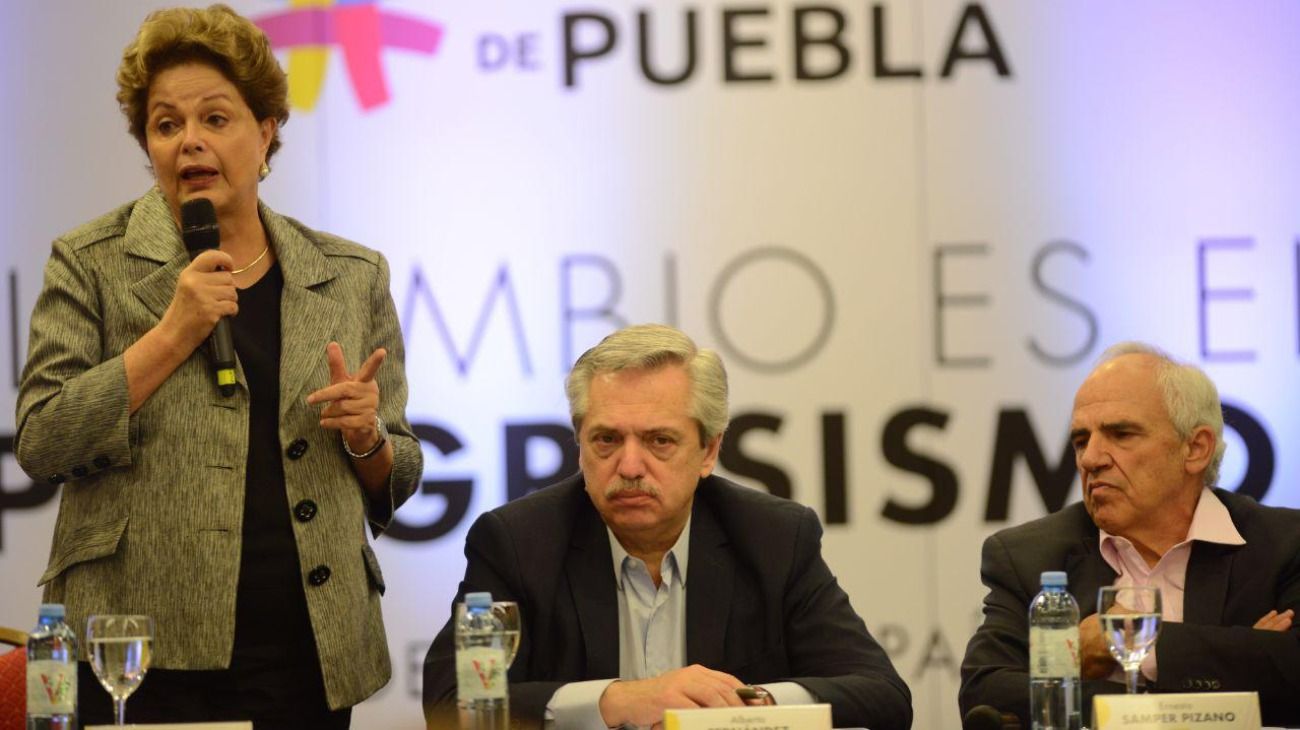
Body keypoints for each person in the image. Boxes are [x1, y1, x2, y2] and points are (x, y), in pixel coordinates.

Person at [14, 5, 422, 727]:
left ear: (265, 133)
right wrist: (173, 332)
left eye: (215, 119)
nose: (190, 142)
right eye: (167, 125)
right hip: (136, 651)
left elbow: (399, 471)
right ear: (147, 145)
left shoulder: (350, 274)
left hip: (304, 645)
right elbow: (45, 439)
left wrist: (367, 438)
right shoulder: (91, 262)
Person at [422, 324, 912, 730]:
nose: (630, 465)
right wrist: (616, 701)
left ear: (709, 451)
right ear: (579, 444)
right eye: (607, 440)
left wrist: (742, 706)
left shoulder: (773, 538)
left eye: (659, 441)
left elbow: (882, 695)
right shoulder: (517, 542)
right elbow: (456, 701)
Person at [958, 342, 1300, 727]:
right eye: (1081, 440)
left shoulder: (1285, 545)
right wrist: (1239, 659)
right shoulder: (1028, 556)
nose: (1090, 459)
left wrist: (1130, 641)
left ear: (1195, 449)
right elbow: (985, 692)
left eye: (1120, 434)